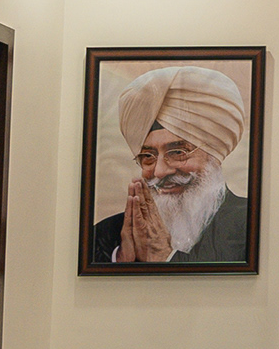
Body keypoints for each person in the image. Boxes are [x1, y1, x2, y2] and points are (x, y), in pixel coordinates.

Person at [90, 63, 251, 265]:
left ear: (214, 154)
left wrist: (164, 257)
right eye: (147, 156)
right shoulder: (105, 234)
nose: (159, 171)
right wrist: (122, 261)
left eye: (177, 153)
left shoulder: (250, 224)